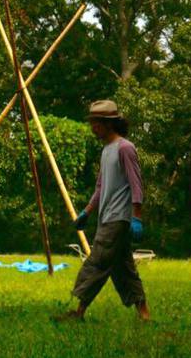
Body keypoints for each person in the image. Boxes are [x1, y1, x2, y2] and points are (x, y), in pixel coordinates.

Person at [58, 99, 150, 321]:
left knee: (97, 262)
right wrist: (86, 212)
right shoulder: (106, 150)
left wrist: (136, 216)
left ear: (108, 124)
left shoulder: (125, 148)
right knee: (123, 268)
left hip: (119, 217)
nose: (93, 127)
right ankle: (144, 314)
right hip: (106, 216)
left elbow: (136, 183)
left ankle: (78, 312)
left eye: (96, 123)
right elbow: (101, 187)